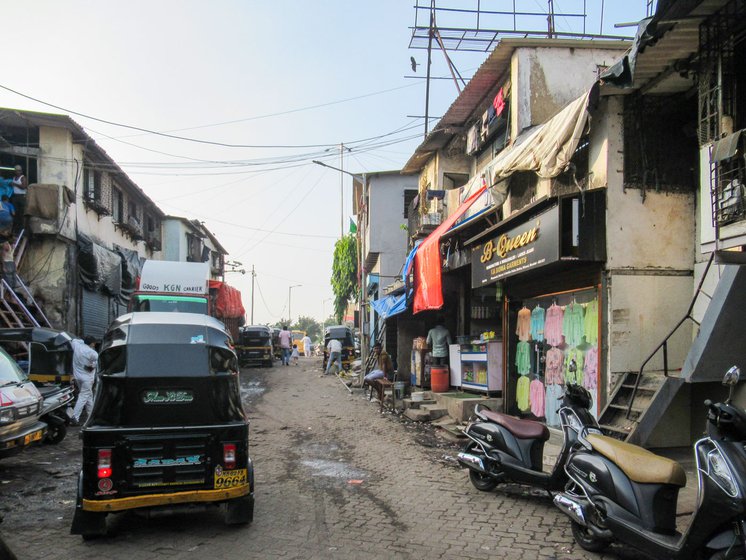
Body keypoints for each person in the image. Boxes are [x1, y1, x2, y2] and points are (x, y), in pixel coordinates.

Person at [70, 336, 99, 425]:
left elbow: (74, 340)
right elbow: (100, 361)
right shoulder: (92, 353)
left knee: (88, 396)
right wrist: (93, 366)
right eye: (94, 343)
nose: (95, 344)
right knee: (83, 397)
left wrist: (84, 341)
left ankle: (91, 416)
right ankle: (74, 417)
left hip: (77, 377)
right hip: (87, 378)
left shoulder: (76, 346)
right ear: (92, 343)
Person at [10, 165, 27, 233]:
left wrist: (14, 184)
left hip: (22, 197)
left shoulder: (23, 178)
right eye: (16, 170)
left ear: (21, 171)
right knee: (15, 213)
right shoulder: (14, 178)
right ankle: (16, 229)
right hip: (15, 197)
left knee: (22, 213)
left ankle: (22, 229)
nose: (17, 172)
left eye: (18, 171)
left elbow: (24, 186)